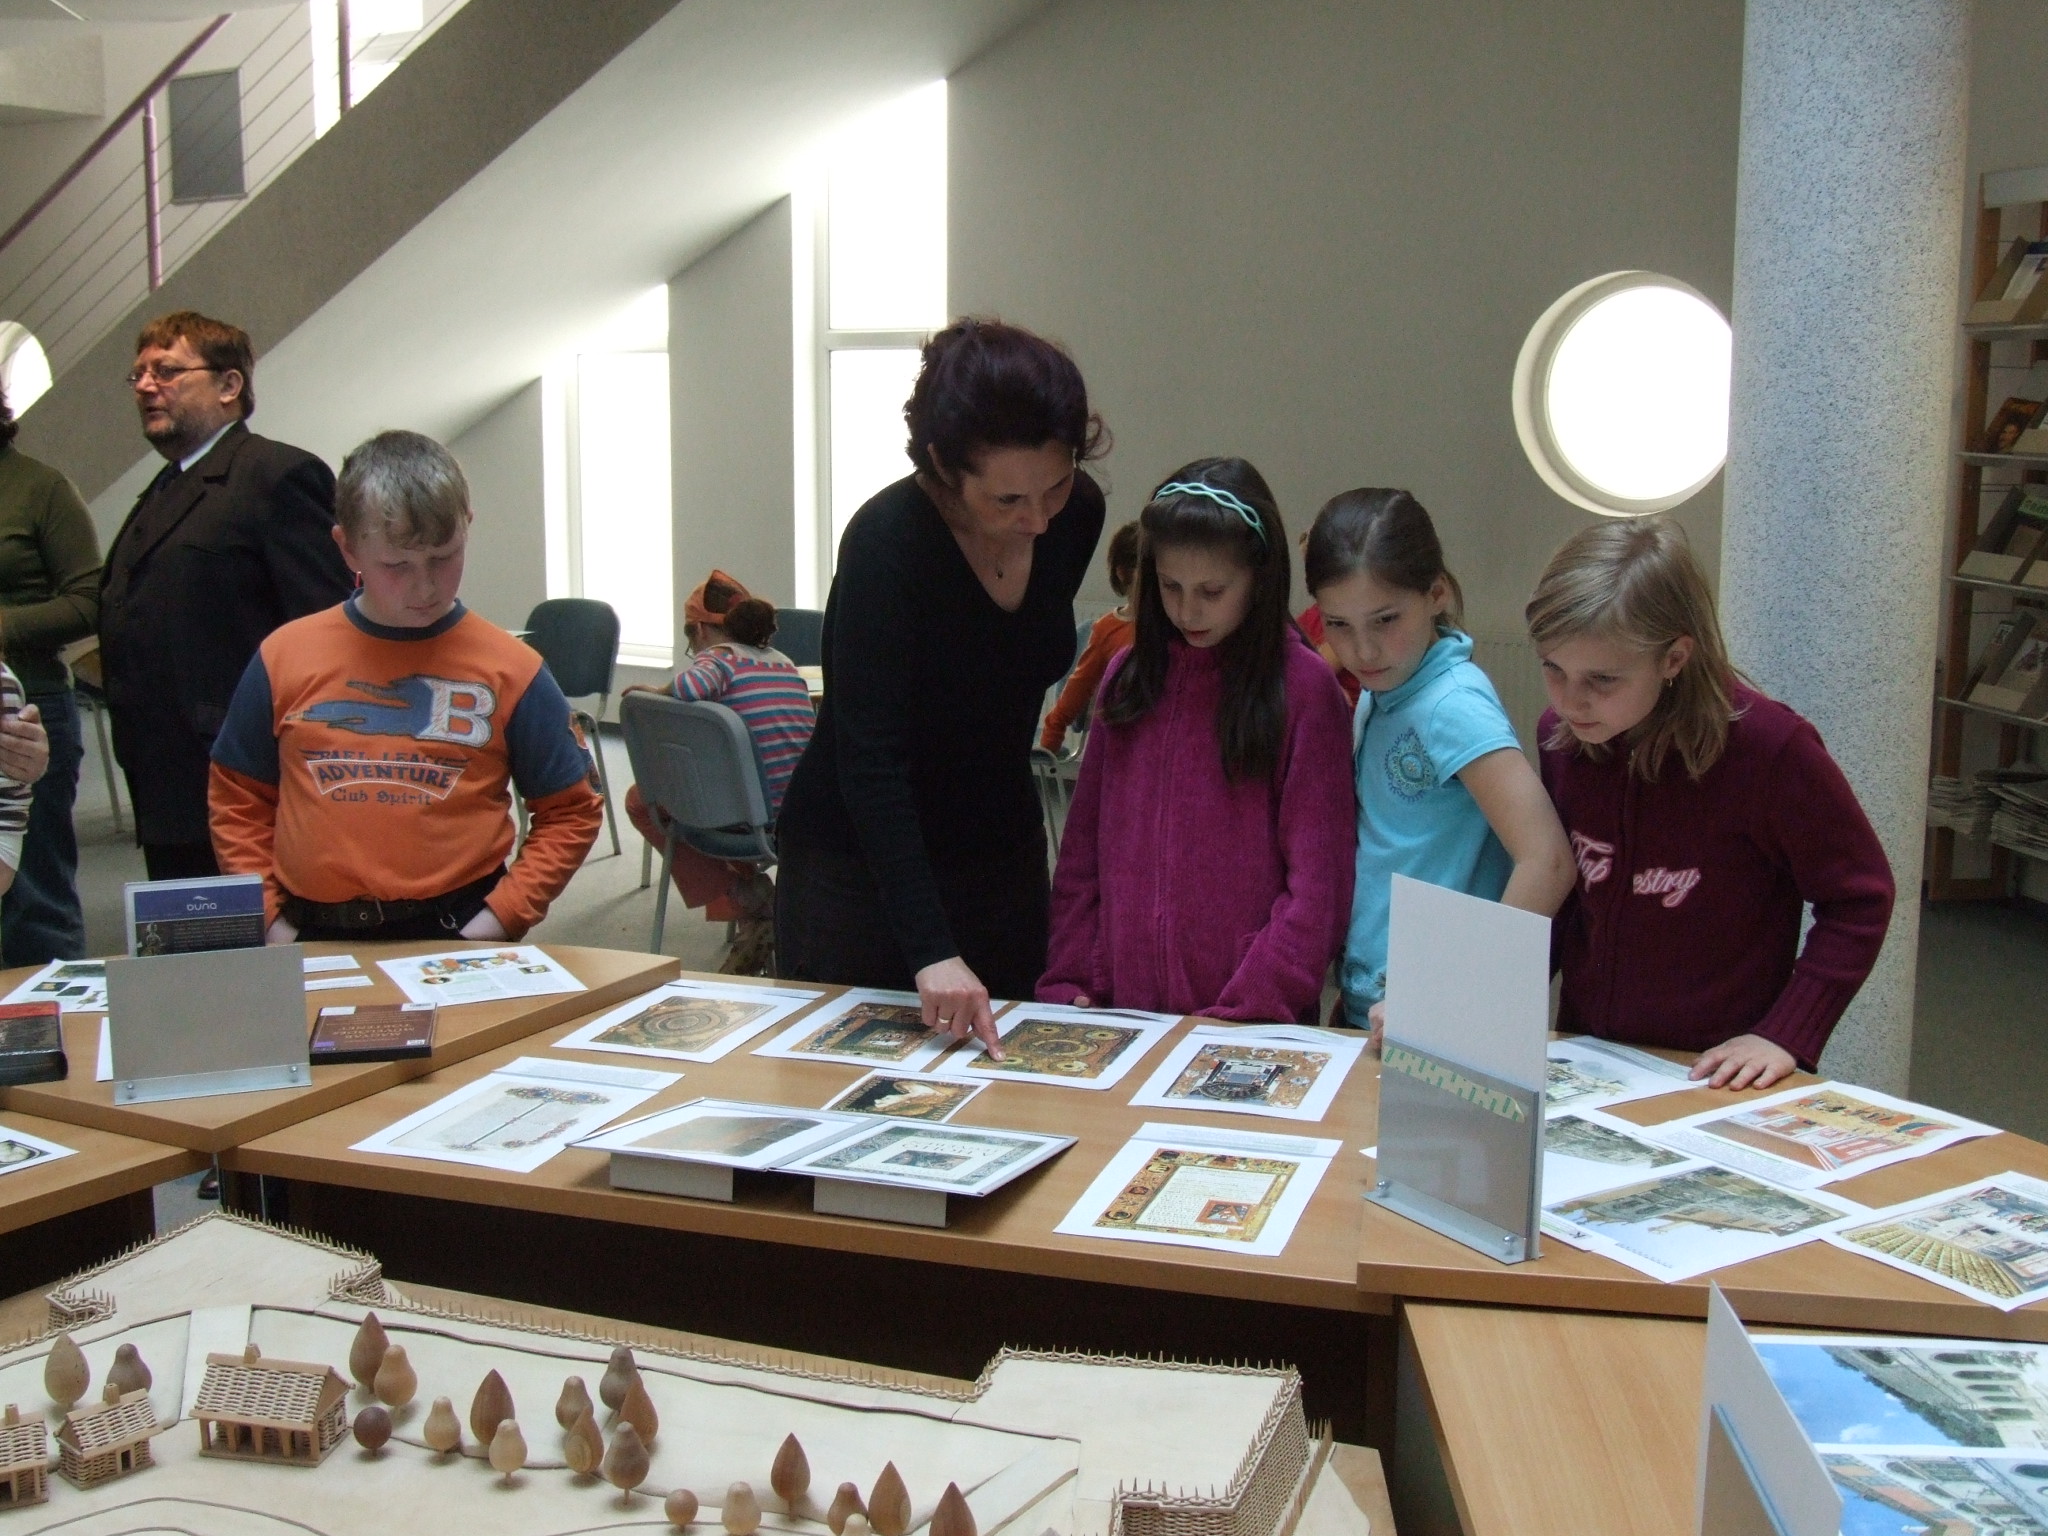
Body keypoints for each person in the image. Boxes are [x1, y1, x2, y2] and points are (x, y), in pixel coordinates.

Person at [776, 318, 1109, 1054]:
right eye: (1007, 501)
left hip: (998, 846)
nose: (1037, 520)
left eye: (1054, 485)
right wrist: (930, 947)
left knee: (1013, 1076)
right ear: (942, 467)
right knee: (848, 1087)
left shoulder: (1076, 515)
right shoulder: (887, 543)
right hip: (860, 865)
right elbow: (870, 759)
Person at [1527, 517, 1894, 1089]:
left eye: (1601, 679)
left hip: (1714, 1070)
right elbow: (1566, 898)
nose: (1571, 701)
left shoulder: (1772, 750)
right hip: (1589, 1054)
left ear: (1674, 658)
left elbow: (1860, 898)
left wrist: (1785, 1035)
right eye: (1553, 668)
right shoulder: (1562, 739)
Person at [209, 430, 603, 943]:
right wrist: (268, 920)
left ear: (467, 527)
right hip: (308, 931)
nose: (426, 585)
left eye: (444, 556)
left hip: (457, 928)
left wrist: (502, 916)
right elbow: (238, 798)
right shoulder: (284, 655)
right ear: (347, 548)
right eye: (396, 565)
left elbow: (572, 809)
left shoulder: (513, 668)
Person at [1038, 459, 1355, 1024]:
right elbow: (1081, 857)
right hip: (1120, 1014)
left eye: (1212, 590)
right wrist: (1070, 977)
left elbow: (1319, 888)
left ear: (1259, 577)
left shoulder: (1305, 690)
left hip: (1249, 1022)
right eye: (1170, 586)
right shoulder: (1127, 676)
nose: (1187, 610)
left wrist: (1254, 1001)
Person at [1305, 488, 1574, 1036]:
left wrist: (1447, 994)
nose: (1363, 650)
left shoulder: (1452, 703)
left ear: (1436, 593)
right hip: (1378, 1007)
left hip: (1442, 1019)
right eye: (1338, 624)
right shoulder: (1384, 691)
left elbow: (1547, 861)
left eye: (1385, 619)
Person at [99, 311, 353, 882]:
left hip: (243, 776)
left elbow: (325, 631)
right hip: (166, 776)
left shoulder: (277, 475)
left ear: (229, 384)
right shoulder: (167, 484)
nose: (146, 386)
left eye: (167, 371)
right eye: (139, 374)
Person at [623, 568, 815, 974]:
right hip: (796, 816)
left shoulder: (718, 660)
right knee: (730, 789)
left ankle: (744, 897)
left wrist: (654, 691)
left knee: (642, 801)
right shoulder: (784, 665)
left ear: (700, 631)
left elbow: (689, 689)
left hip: (740, 820)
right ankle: (755, 910)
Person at [0, 380, 99, 962]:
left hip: (29, 713)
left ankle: (49, 1014)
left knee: (34, 900)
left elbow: (88, 601)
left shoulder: (40, 488)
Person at [1039, 521, 1138, 752]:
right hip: (1121, 748)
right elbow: (1073, 696)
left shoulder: (1176, 629)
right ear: (1123, 572)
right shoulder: (1108, 630)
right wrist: (1048, 748)